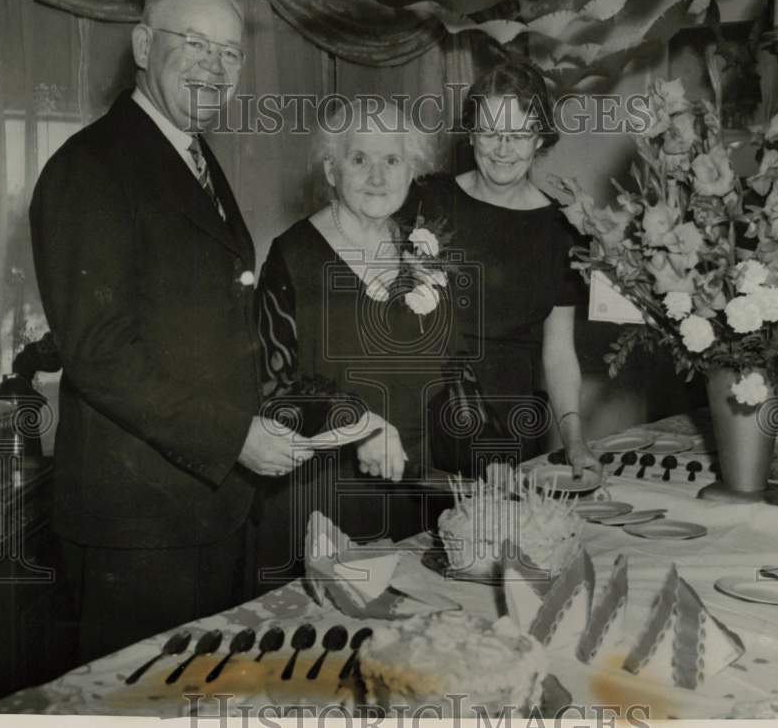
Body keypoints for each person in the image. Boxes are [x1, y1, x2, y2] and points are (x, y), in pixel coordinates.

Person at [29, 0, 311, 664]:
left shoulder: (191, 155)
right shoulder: (89, 168)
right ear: (144, 46)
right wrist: (234, 436)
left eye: (230, 53)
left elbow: (205, 327)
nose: (215, 67)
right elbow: (99, 353)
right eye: (196, 44)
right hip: (138, 528)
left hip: (207, 510)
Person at [254, 97, 440, 592]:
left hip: (411, 499)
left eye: (392, 160)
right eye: (360, 159)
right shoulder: (292, 255)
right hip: (319, 502)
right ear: (332, 170)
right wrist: (362, 425)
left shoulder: (420, 248)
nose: (377, 177)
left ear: (411, 172)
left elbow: (448, 369)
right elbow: (272, 387)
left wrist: (490, 465)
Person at [407, 62, 598, 477]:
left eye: (518, 135)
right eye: (491, 133)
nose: (503, 149)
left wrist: (575, 441)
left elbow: (560, 351)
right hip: (421, 419)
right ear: (471, 133)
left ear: (540, 139)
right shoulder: (427, 198)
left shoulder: (561, 229)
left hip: (511, 426)